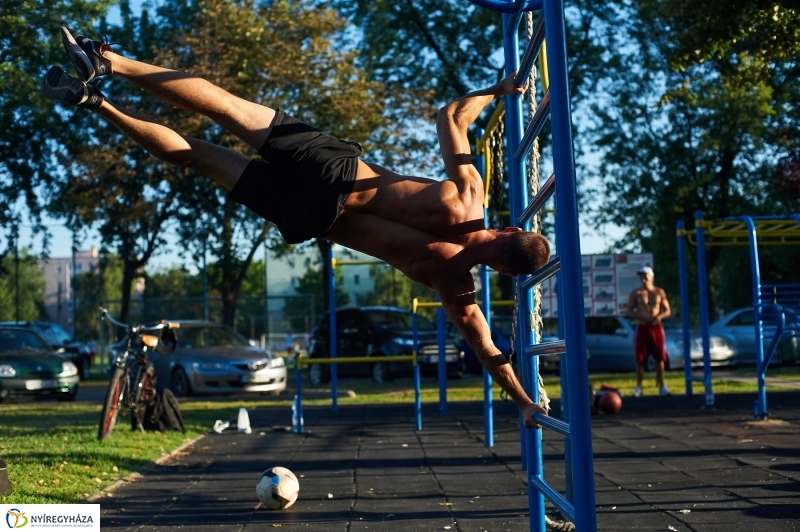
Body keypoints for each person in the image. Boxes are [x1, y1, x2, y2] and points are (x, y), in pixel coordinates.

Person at [43, 28, 551, 427]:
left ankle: (110, 62)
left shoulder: (468, 197)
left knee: (227, 107)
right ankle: (97, 104)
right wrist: (526, 403)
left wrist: (498, 90)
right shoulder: (455, 284)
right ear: (502, 272)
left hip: (336, 171)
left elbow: (451, 117)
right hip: (313, 218)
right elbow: (487, 351)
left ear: (507, 231)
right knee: (199, 157)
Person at [625, 266, 672, 397]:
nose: (643, 278)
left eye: (645, 275)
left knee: (660, 358)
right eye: (641, 276)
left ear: (652, 277)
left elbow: (667, 310)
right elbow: (629, 310)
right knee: (640, 358)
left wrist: (659, 317)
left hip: (656, 327)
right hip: (642, 326)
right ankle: (638, 386)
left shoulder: (659, 292)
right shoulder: (637, 293)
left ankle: (662, 386)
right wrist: (641, 316)